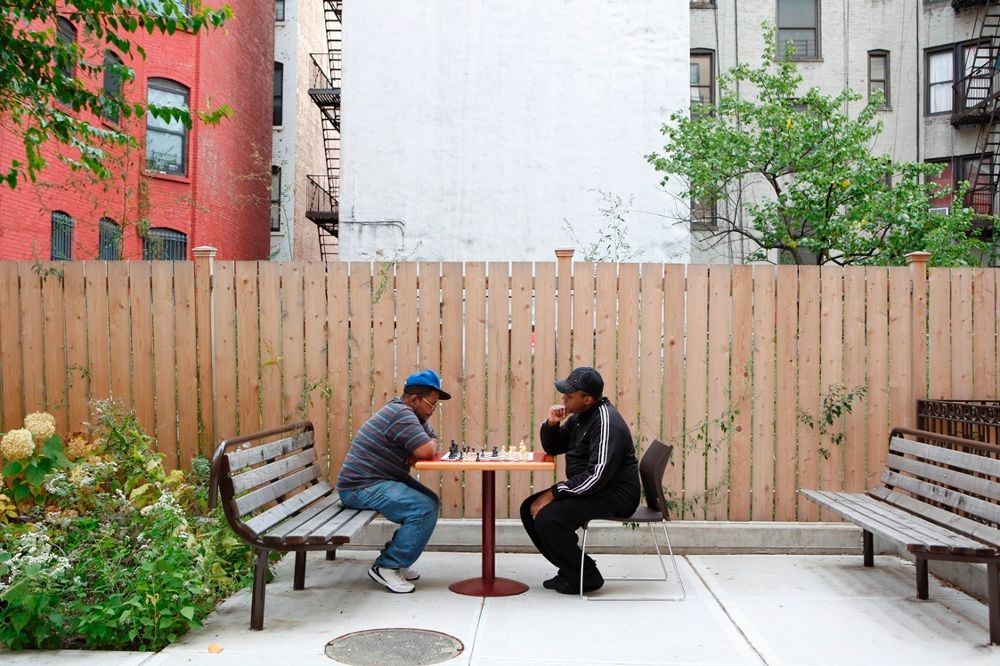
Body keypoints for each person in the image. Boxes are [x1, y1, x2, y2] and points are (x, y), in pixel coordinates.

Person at [519, 366, 640, 594]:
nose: (563, 398)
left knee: (548, 518)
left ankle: (586, 576)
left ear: (587, 399)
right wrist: (552, 424)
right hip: (596, 488)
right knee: (530, 509)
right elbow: (555, 446)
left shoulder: (605, 422)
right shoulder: (582, 417)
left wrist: (554, 493)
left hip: (616, 495)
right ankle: (570, 570)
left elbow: (597, 476)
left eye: (570, 395)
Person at [336, 369, 451, 593]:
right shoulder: (402, 414)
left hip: (379, 480)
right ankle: (387, 566)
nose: (433, 410)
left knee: (431, 501)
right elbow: (427, 450)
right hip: (360, 486)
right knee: (423, 508)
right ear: (414, 399)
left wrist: (426, 447)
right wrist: (424, 448)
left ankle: (398, 559)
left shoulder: (413, 415)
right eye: (431, 404)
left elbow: (433, 440)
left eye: (436, 405)